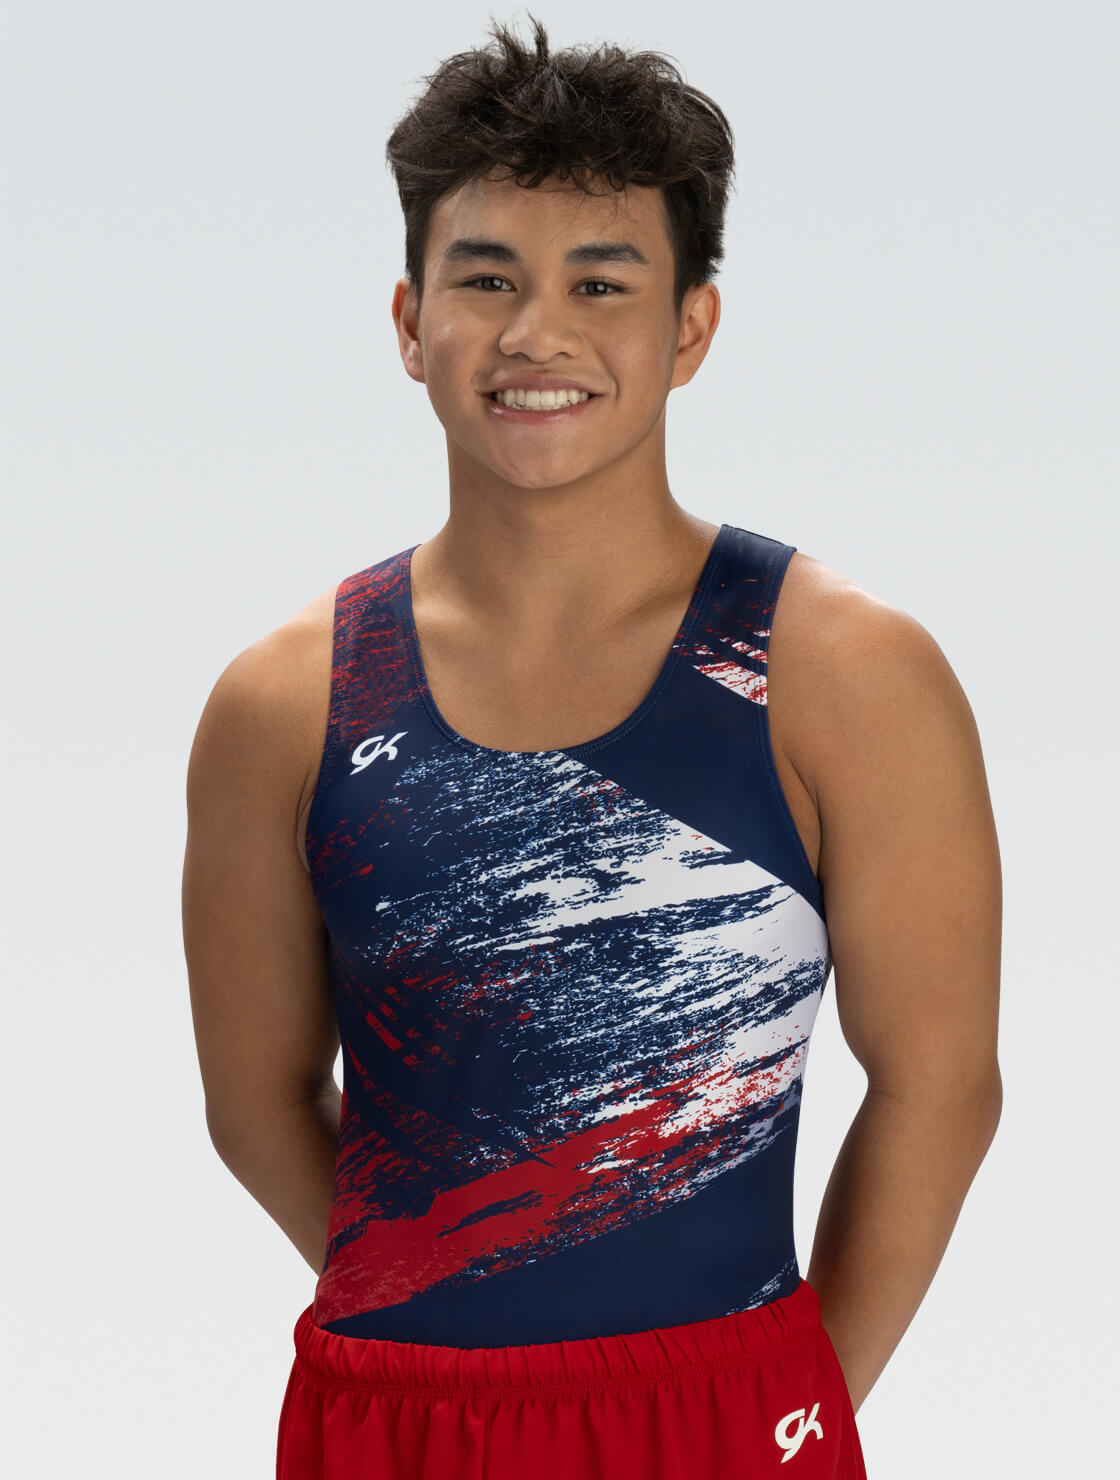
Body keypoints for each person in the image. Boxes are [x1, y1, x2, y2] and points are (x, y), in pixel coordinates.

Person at [181, 13, 1002, 1477]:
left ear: (691, 327)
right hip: (393, 1415)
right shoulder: (286, 700)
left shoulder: (842, 675)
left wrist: (792, 1399)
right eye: (485, 278)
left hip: (726, 1402)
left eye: (601, 283)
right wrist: (442, 1313)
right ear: (409, 321)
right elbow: (255, 1102)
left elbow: (943, 1085)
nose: (536, 334)